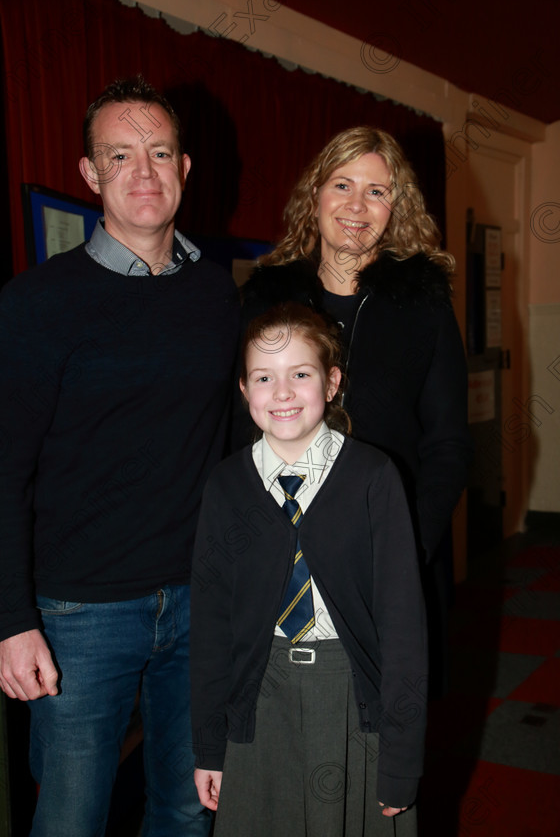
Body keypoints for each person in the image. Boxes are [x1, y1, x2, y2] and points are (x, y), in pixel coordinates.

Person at [0, 76, 239, 836]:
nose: (143, 171)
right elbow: (4, 468)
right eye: (120, 154)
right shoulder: (37, 302)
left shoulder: (216, 294)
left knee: (186, 809)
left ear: (185, 167)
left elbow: (235, 445)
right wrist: (11, 620)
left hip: (200, 601)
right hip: (78, 614)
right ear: (90, 174)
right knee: (71, 820)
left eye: (159, 151)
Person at [236, 126, 472, 697]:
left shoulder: (425, 305)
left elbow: (447, 444)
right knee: (289, 721)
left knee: (389, 731)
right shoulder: (267, 298)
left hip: (393, 548)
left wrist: (405, 552)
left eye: (378, 191)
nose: (357, 206)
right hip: (285, 552)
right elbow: (235, 425)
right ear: (315, 194)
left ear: (398, 207)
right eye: (342, 184)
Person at [191, 302, 428, 836]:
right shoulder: (226, 487)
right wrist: (208, 746)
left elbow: (403, 630)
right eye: (263, 377)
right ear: (243, 389)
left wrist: (402, 759)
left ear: (332, 381)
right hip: (258, 703)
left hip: (352, 702)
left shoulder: (374, 478)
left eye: (300, 373)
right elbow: (209, 630)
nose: (281, 392)